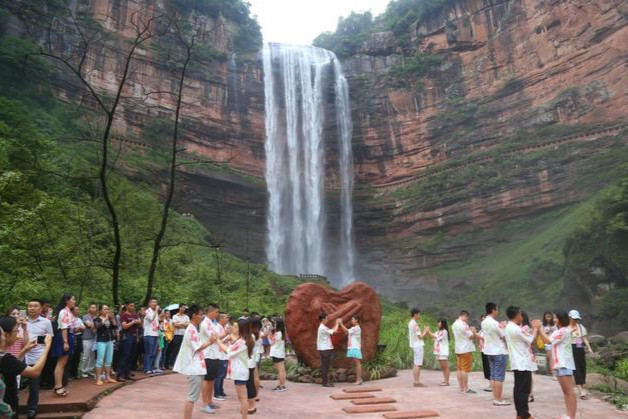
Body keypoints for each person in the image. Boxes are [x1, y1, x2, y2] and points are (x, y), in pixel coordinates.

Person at [0, 316, 52, 416]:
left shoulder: (4, 358)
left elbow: (12, 367)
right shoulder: (5, 358)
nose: (18, 336)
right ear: (6, 335)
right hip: (6, 408)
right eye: (16, 331)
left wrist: (24, 350)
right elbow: (34, 372)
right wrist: (47, 347)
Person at [172, 304, 214, 419]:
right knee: (191, 398)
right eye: (201, 315)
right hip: (194, 368)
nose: (202, 317)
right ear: (194, 315)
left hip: (197, 367)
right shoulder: (191, 329)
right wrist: (211, 341)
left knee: (192, 397)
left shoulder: (194, 328)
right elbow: (198, 347)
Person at [538, 310, 577, 419]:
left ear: (560, 319)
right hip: (559, 364)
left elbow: (548, 341)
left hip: (564, 364)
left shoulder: (564, 331)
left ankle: (572, 416)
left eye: (556, 318)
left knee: (569, 392)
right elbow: (548, 341)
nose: (554, 319)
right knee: (566, 392)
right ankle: (569, 415)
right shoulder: (560, 330)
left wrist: (539, 329)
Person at [503, 306, 538, 419]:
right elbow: (531, 340)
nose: (521, 316)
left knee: (518, 389)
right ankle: (525, 414)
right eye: (520, 314)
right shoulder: (516, 329)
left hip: (517, 362)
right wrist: (536, 328)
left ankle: (520, 414)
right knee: (524, 390)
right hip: (522, 363)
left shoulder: (509, 327)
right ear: (517, 315)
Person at [216, 318, 254, 419]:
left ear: (242, 329)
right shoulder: (244, 340)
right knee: (241, 397)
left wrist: (217, 340)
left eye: (236, 327)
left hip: (240, 372)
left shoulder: (242, 342)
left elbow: (227, 351)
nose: (233, 328)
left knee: (242, 398)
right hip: (241, 372)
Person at [24, 299, 54, 418]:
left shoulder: (46, 322)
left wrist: (39, 344)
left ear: (41, 309)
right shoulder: (21, 321)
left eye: (35, 306)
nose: (32, 308)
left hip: (37, 355)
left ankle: (32, 408)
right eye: (30, 306)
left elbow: (49, 337)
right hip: (21, 354)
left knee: (34, 383)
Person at [481, 303, 510, 406]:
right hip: (499, 351)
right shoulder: (495, 323)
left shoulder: (483, 322)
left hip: (489, 351)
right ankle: (499, 399)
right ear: (493, 310)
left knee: (493, 375)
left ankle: (495, 398)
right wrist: (505, 328)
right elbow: (504, 336)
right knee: (499, 376)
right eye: (497, 309)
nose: (498, 311)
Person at [51, 293, 75, 397]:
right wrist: (65, 342)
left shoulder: (68, 311)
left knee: (63, 363)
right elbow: (64, 328)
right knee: (61, 363)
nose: (74, 301)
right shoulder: (64, 312)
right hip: (64, 337)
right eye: (73, 299)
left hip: (69, 336)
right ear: (67, 301)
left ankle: (59, 385)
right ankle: (58, 386)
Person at [568, 309, 594, 400]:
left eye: (577, 319)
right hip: (571, 348)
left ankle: (582, 389)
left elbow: (584, 338)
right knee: (576, 369)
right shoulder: (566, 327)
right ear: (569, 318)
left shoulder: (580, 326)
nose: (575, 320)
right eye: (574, 319)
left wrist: (589, 348)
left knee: (582, 368)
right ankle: (581, 391)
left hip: (579, 347)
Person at [200, 304, 221, 414]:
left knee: (212, 379)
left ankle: (209, 401)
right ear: (210, 312)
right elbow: (213, 337)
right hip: (207, 354)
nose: (218, 314)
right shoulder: (205, 323)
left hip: (215, 354)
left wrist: (219, 336)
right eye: (216, 312)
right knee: (207, 379)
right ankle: (204, 404)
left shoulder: (214, 323)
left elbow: (218, 336)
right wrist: (219, 336)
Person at [452, 310, 478, 394]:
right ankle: (466, 388)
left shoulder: (454, 324)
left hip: (458, 348)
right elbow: (471, 336)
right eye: (467, 318)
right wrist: (473, 331)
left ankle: (461, 387)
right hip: (465, 349)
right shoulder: (464, 324)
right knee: (465, 369)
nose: (467, 320)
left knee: (459, 368)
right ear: (465, 316)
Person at [117, 301, 141, 382]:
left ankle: (127, 374)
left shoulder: (135, 315)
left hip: (134, 336)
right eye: (131, 306)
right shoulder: (124, 315)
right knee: (125, 356)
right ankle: (120, 375)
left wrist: (138, 322)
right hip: (127, 336)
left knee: (131, 356)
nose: (132, 307)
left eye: (133, 306)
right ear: (127, 306)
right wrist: (133, 322)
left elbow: (140, 324)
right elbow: (124, 326)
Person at [94, 305, 118, 386]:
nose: (107, 310)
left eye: (108, 309)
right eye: (105, 309)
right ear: (100, 311)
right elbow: (97, 326)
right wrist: (105, 319)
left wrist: (112, 318)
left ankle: (107, 377)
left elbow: (115, 326)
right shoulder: (97, 319)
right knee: (100, 360)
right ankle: (98, 379)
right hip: (101, 341)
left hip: (110, 341)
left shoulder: (109, 319)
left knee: (109, 360)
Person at [316, 313, 341, 387]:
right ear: (323, 319)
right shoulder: (322, 327)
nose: (327, 320)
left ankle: (325, 381)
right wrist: (337, 323)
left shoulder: (323, 327)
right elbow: (334, 331)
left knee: (325, 365)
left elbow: (332, 330)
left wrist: (336, 324)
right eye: (326, 318)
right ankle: (325, 382)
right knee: (325, 366)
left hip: (325, 348)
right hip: (325, 349)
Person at [408, 308, 429, 387]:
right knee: (418, 364)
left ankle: (416, 381)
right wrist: (426, 332)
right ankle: (417, 382)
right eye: (419, 314)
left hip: (414, 345)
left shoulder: (411, 323)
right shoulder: (414, 324)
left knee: (416, 363)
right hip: (418, 345)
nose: (419, 316)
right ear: (415, 314)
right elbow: (420, 336)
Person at [340, 315, 363, 385]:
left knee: (357, 363)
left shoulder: (356, 328)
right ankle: (359, 379)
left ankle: (359, 379)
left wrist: (340, 323)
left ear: (357, 320)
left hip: (355, 347)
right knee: (356, 363)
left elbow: (346, 330)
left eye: (353, 319)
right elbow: (347, 332)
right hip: (353, 347)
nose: (351, 321)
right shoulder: (354, 328)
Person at [143, 298, 163, 375]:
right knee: (148, 352)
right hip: (149, 334)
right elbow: (151, 319)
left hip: (155, 334)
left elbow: (157, 323)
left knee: (153, 353)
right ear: (149, 303)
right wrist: (156, 310)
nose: (155, 303)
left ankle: (151, 368)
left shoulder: (156, 312)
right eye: (153, 302)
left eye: (156, 302)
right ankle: (147, 368)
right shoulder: (147, 311)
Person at [428, 319, 450, 386]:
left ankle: (447, 382)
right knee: (443, 367)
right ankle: (445, 380)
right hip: (438, 351)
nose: (438, 323)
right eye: (438, 322)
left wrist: (428, 331)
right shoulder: (438, 331)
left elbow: (436, 337)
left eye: (439, 322)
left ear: (443, 323)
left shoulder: (444, 331)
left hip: (443, 351)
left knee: (445, 367)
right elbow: (432, 336)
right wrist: (428, 332)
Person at [214, 313, 230, 401]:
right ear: (221, 319)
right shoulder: (217, 327)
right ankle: (216, 393)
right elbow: (216, 339)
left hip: (224, 354)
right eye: (226, 317)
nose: (228, 319)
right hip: (220, 354)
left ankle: (221, 391)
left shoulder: (222, 327)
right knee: (219, 375)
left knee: (222, 374)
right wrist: (226, 336)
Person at [269, 317, 287, 392]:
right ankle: (282, 385)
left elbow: (271, 342)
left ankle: (281, 386)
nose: (274, 325)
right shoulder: (282, 332)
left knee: (280, 370)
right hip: (280, 353)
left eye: (275, 323)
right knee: (282, 370)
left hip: (276, 353)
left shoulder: (277, 333)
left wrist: (269, 335)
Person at [81, 303, 98, 378]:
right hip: (87, 338)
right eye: (92, 307)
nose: (93, 309)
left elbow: (95, 328)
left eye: (95, 307)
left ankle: (90, 370)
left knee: (92, 356)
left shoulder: (97, 317)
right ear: (89, 308)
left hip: (95, 338)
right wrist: (95, 325)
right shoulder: (85, 317)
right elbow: (90, 326)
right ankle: (84, 371)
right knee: (86, 355)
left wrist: (94, 325)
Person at [69, 306, 85, 379]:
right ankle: (70, 374)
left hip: (79, 337)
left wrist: (79, 329)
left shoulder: (79, 319)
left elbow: (83, 328)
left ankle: (75, 373)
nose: (78, 311)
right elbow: (73, 330)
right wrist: (79, 329)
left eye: (78, 309)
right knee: (72, 355)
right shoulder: (70, 319)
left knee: (78, 355)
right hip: (73, 337)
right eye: (76, 310)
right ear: (72, 311)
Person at [478, 314, 491, 392]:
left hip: (489, 351)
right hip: (483, 350)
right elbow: (479, 337)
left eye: (484, 319)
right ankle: (490, 384)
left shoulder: (490, 329)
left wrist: (480, 339)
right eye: (482, 320)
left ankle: (492, 385)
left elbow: (486, 338)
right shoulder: (482, 330)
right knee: (486, 368)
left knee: (490, 368)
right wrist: (480, 342)